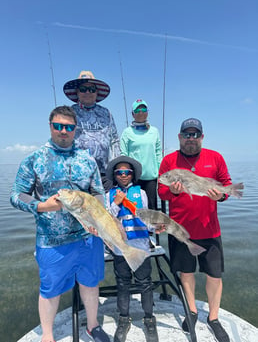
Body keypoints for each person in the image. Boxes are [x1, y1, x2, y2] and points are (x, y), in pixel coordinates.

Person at [10, 106, 110, 342]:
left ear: (75, 129)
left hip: (88, 237)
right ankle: (47, 335)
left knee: (90, 283)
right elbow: (17, 195)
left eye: (69, 127)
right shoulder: (34, 159)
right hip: (52, 241)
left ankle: (92, 325)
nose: (63, 131)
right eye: (58, 126)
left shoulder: (87, 159)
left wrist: (97, 216)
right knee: (50, 289)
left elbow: (97, 192)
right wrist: (41, 206)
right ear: (51, 126)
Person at [158, 118, 230, 342]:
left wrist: (223, 195)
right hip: (180, 229)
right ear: (179, 137)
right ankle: (192, 310)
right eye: (186, 135)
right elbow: (162, 191)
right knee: (186, 273)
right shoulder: (169, 161)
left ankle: (214, 317)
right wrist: (175, 191)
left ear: (202, 137)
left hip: (210, 229)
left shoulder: (215, 157)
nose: (191, 139)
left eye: (195, 134)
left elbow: (225, 185)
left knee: (214, 276)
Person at [105, 155, 159, 342]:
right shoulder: (108, 195)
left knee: (145, 282)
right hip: (120, 248)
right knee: (123, 283)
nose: (123, 175)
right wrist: (116, 204)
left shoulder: (141, 193)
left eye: (127, 172)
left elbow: (145, 218)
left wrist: (155, 227)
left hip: (141, 246)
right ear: (114, 175)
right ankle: (123, 319)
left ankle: (149, 319)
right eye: (119, 172)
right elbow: (106, 221)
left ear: (132, 174)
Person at [63, 70, 121, 191]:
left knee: (104, 208)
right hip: (76, 174)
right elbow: (61, 140)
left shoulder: (107, 113)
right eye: (83, 89)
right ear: (77, 92)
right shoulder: (68, 112)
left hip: (104, 174)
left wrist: (117, 167)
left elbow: (114, 141)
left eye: (92, 89)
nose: (88, 92)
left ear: (97, 92)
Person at [120, 99, 162, 210]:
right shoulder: (127, 132)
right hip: (134, 178)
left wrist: (160, 173)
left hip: (151, 178)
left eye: (143, 109)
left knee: (151, 208)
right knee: (134, 208)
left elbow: (158, 153)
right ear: (132, 114)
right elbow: (124, 155)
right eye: (137, 110)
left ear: (147, 112)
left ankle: (152, 228)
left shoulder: (155, 131)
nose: (141, 112)